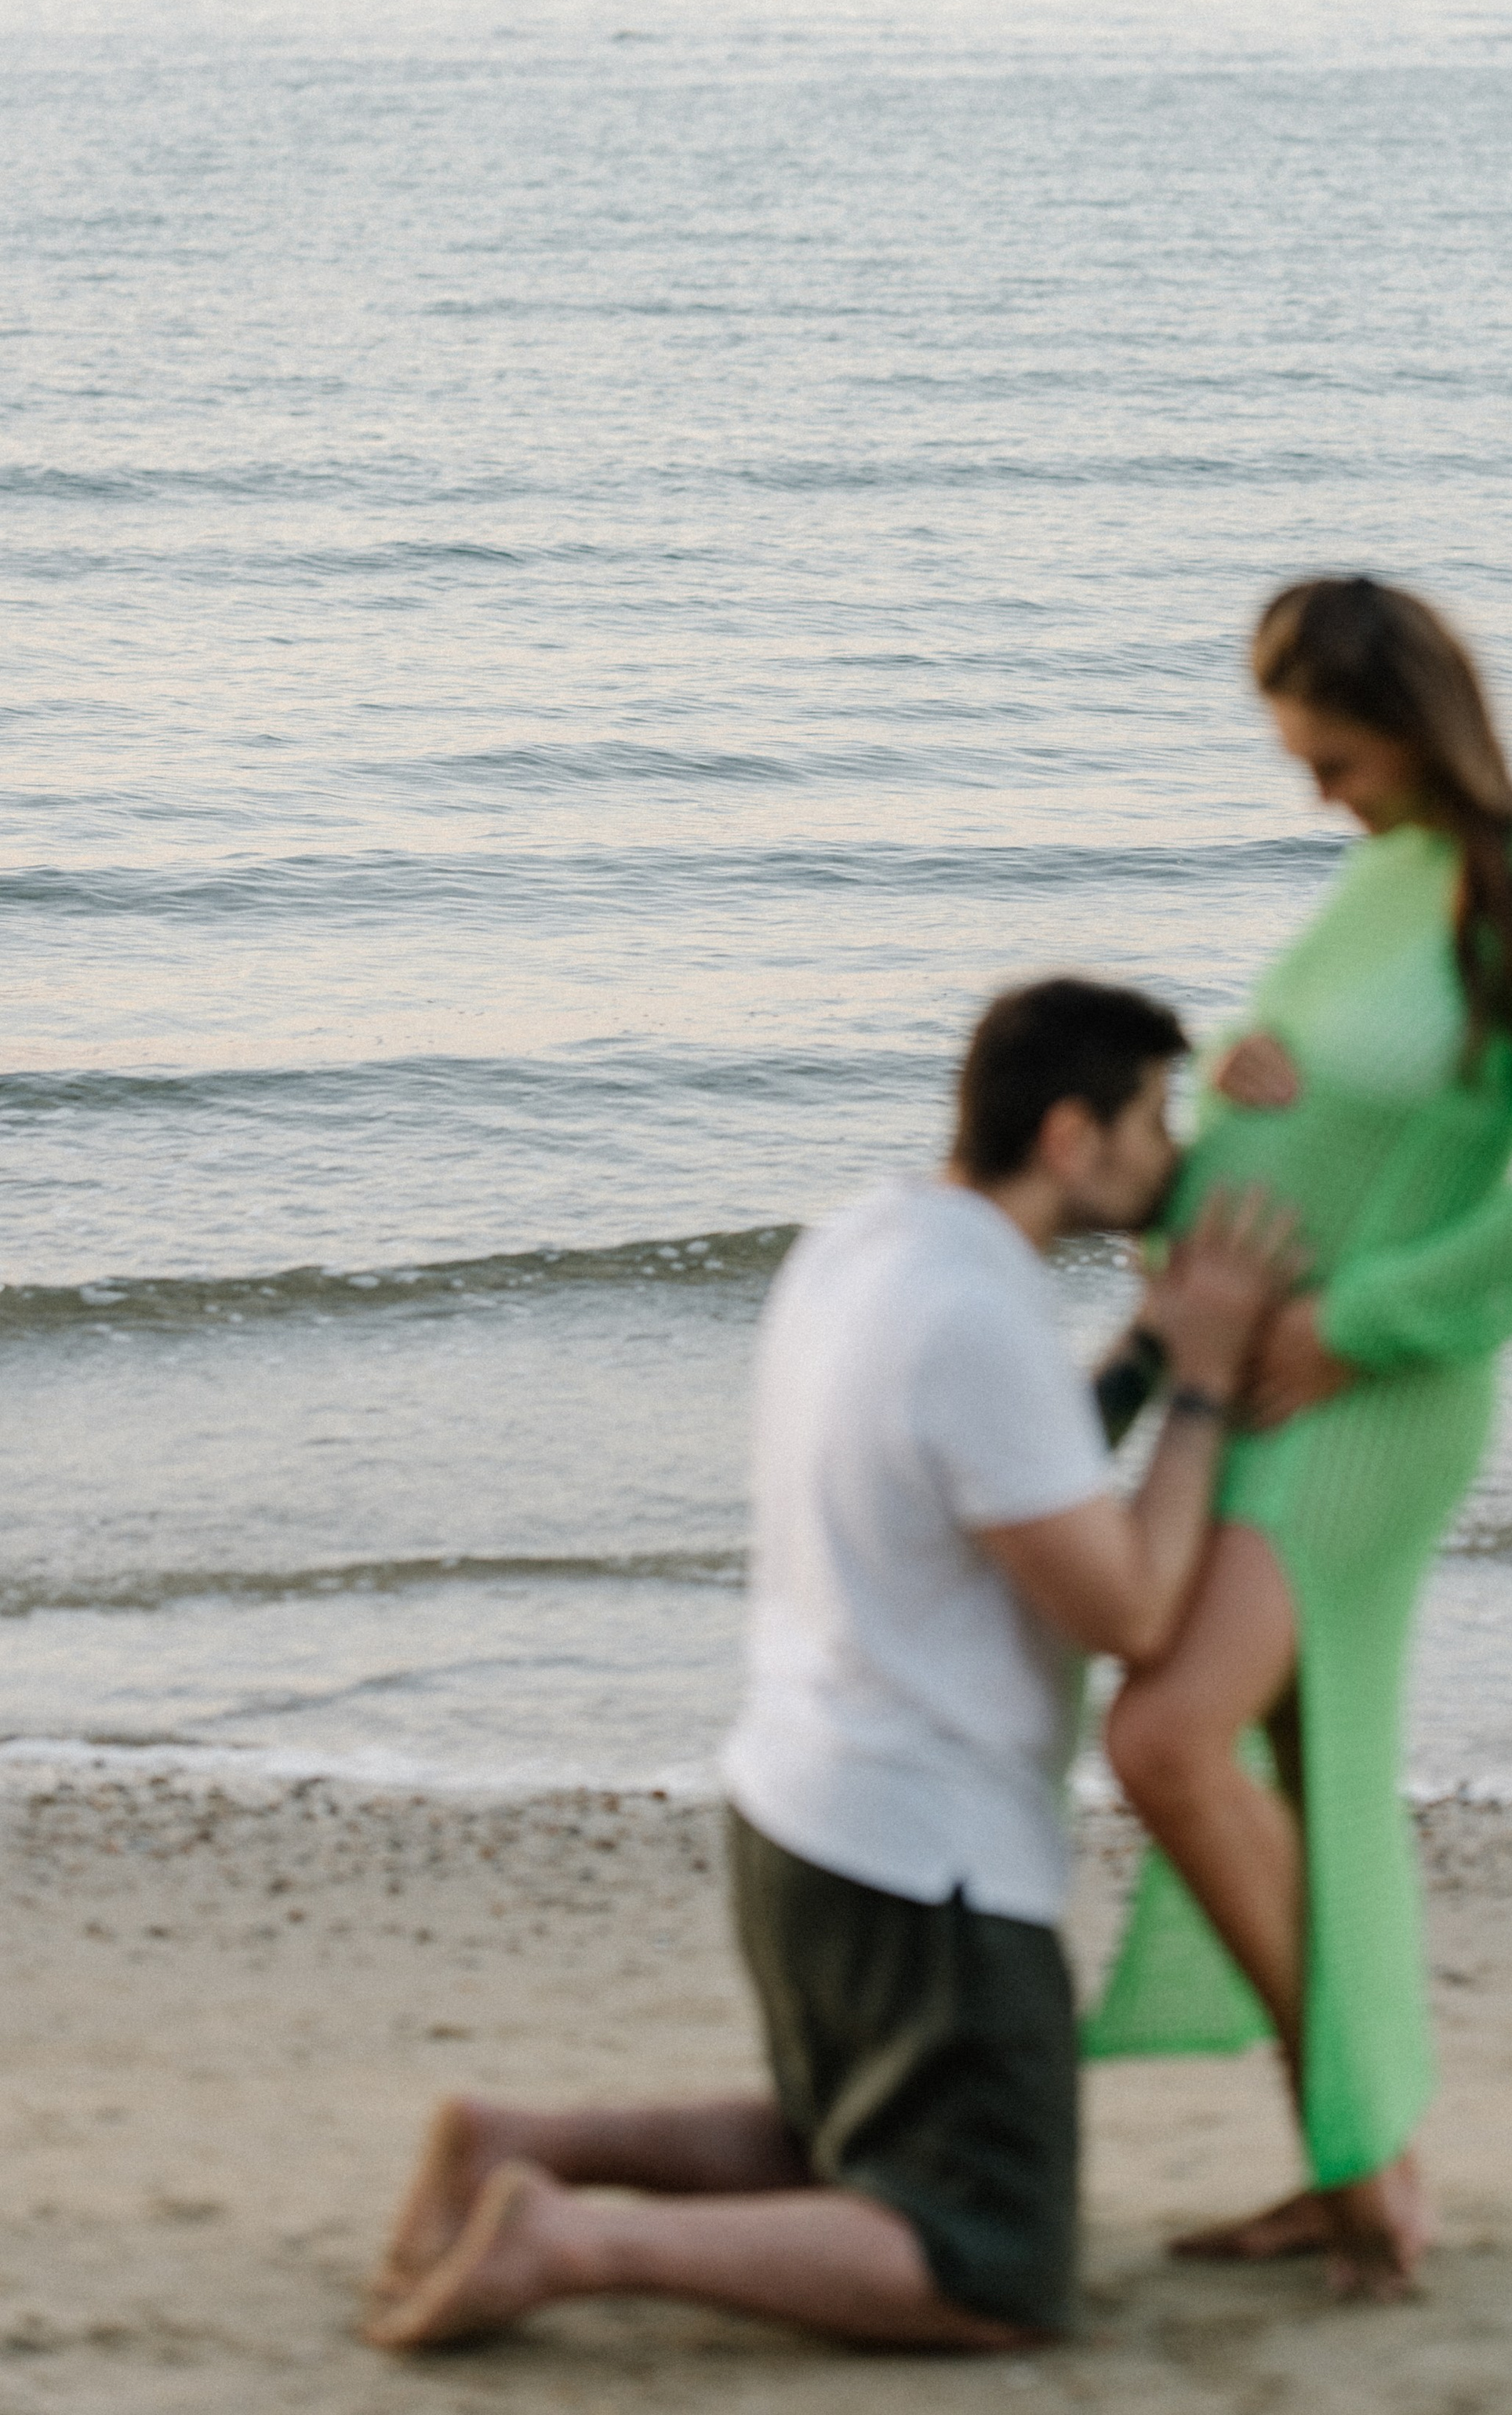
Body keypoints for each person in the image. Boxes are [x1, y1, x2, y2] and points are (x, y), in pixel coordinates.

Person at [365, 976, 1301, 2356]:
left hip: (800, 1814)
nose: (1169, 1159)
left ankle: (513, 2143)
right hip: (927, 1859)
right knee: (990, 2266)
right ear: (1069, 1136)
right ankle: (567, 2240)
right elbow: (1134, 1613)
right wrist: (1208, 1382)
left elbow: (1016, 1468)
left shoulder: (871, 1239)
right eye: (1153, 1122)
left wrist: (1155, 1345)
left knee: (849, 2138)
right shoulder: (974, 1317)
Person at [1082, 575, 1512, 2295]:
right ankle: (1354, 2162)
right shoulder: (1372, 873)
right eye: (1299, 764)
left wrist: (1358, 1320)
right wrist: (1238, 1068)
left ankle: (1362, 2166)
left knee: (1168, 1736)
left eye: (1334, 759)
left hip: (1370, 1394)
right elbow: (1329, 1093)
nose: (1317, 794)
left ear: (1413, 723)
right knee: (1290, 1781)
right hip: (1247, 1387)